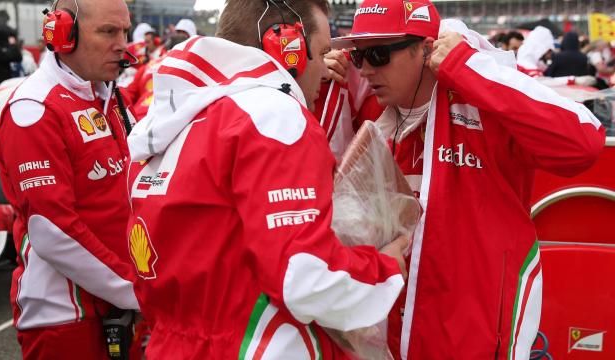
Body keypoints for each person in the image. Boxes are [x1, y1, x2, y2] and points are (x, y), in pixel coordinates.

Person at [126, 0, 407, 358]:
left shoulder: (167, 121)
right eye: (320, 52)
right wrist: (385, 268)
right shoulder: (272, 114)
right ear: (284, 45)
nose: (325, 71)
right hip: (256, 344)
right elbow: (304, 275)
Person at [331, 0, 605, 358]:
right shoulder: (370, 105)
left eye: (379, 54)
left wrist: (467, 67)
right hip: (393, 333)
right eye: (358, 56)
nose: (365, 69)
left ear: (426, 49)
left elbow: (583, 142)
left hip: (470, 335)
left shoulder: (483, 101)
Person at [0, 0, 139, 358]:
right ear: (63, 35)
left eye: (124, 31)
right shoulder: (34, 109)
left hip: (120, 303)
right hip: (66, 317)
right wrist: (133, 289)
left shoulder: (107, 96)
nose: (122, 44)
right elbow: (53, 231)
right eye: (108, 31)